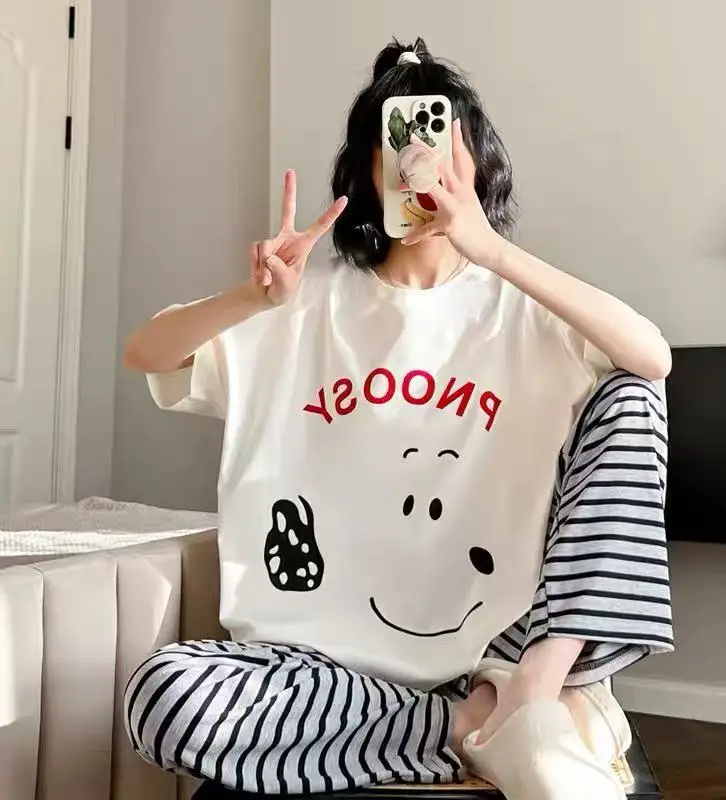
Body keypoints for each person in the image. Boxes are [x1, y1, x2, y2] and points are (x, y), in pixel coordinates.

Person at [123, 38, 673, 800]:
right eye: (401, 149)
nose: (421, 170)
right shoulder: (301, 305)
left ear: (477, 167)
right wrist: (254, 299)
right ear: (368, 171)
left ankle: (532, 692)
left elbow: (652, 358)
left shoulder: (524, 310)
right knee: (165, 696)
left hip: (493, 648)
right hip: (315, 666)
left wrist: (491, 251)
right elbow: (147, 352)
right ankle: (484, 730)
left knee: (634, 393)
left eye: (440, 148)